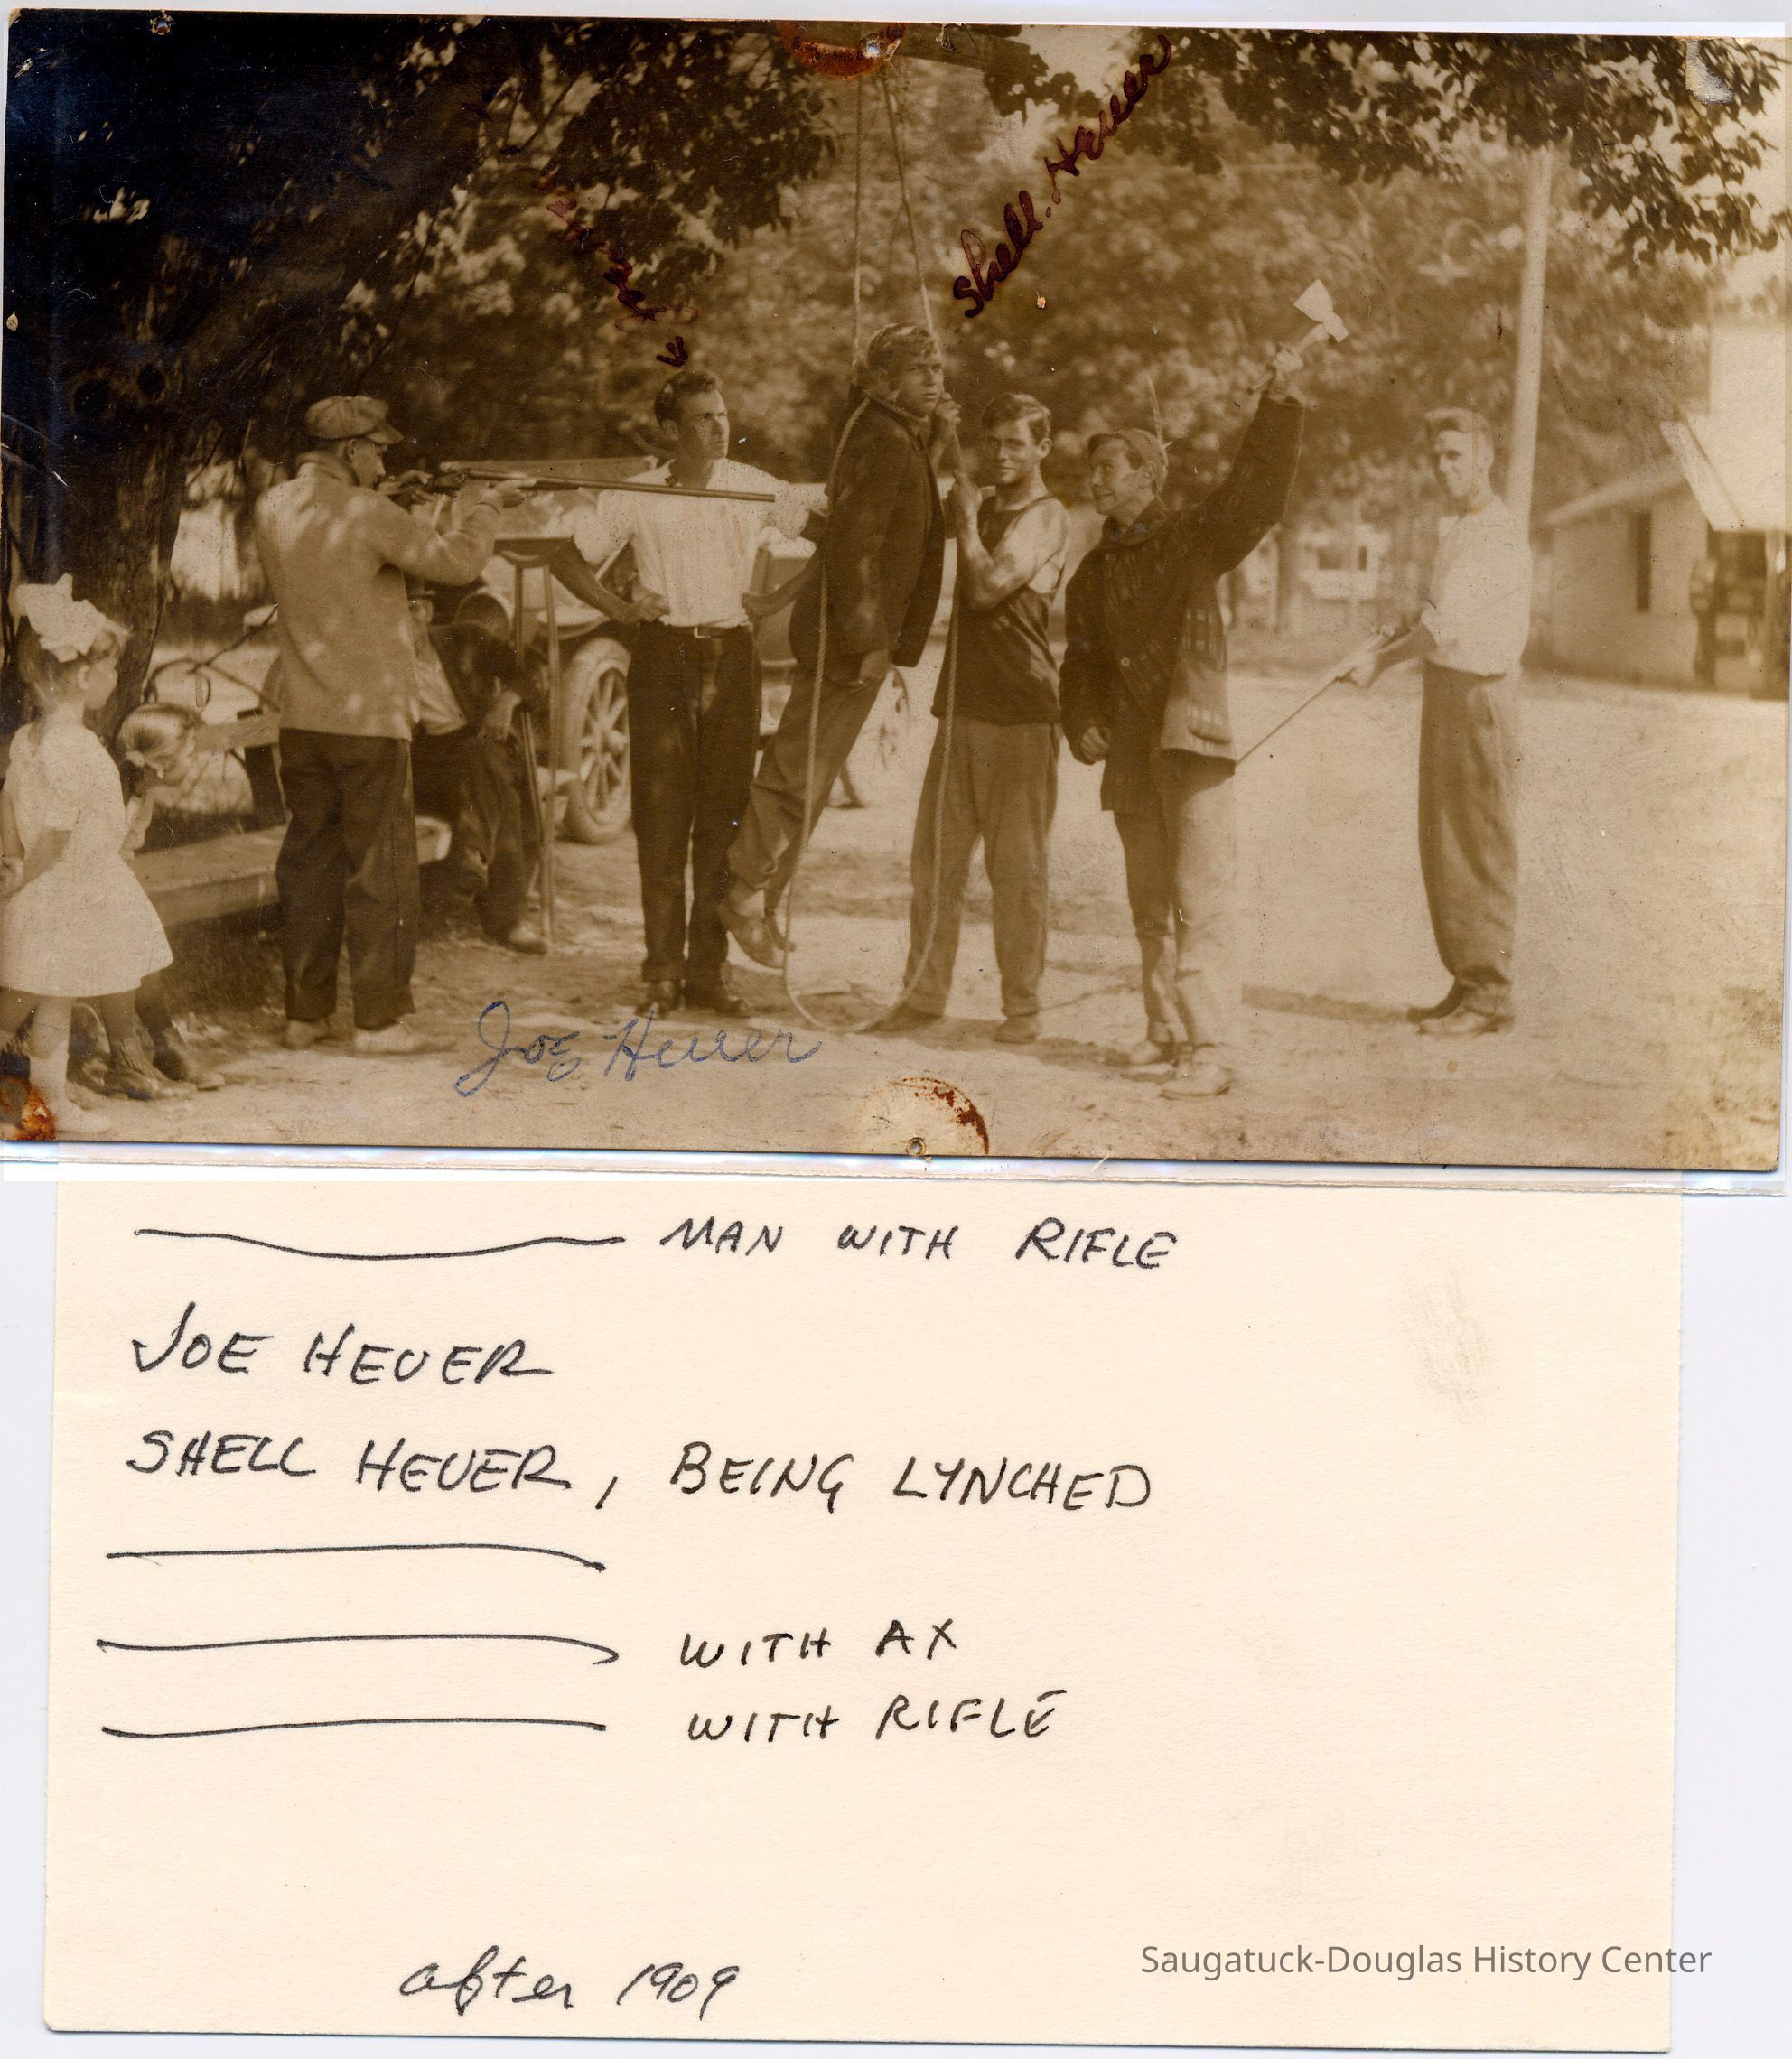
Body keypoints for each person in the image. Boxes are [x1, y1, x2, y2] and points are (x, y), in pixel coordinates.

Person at [1059, 351, 1305, 1100]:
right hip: (1130, 756)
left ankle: (1214, 1047)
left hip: (1188, 742)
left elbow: (1256, 494)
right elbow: (1080, 664)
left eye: (1110, 468)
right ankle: (1165, 1028)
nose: (1095, 479)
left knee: (1201, 899)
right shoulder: (1092, 572)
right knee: (1149, 904)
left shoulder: (1194, 537)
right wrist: (1082, 721)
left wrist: (1279, 404)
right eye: (1091, 469)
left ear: (1148, 476)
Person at [253, 394, 514, 1056]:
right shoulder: (369, 512)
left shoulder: (274, 505)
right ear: (351, 450)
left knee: (310, 866)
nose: (383, 463)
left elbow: (341, 559)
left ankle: (305, 1015)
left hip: (303, 719)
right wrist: (485, 507)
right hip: (370, 722)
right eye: (377, 452)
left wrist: (394, 499)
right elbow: (459, 564)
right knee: (382, 870)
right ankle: (379, 1022)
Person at [555, 368, 823, 1014]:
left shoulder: (754, 487)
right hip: (662, 659)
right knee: (660, 819)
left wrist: (776, 599)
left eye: (722, 414)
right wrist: (620, 608)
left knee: (723, 818)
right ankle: (661, 974)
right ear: (670, 430)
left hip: (732, 660)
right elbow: (564, 558)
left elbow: (830, 541)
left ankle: (708, 972)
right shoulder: (638, 494)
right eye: (703, 418)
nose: (719, 426)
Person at [720, 322, 960, 968]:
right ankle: (742, 894)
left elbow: (901, 521)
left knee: (816, 774)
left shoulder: (897, 432)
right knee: (799, 769)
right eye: (919, 369)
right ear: (884, 380)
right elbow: (853, 546)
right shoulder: (883, 436)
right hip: (847, 641)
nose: (934, 379)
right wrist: (869, 640)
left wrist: (939, 438)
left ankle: (764, 899)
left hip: (855, 639)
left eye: (938, 369)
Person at [880, 392, 1070, 1043]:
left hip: (1022, 714)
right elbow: (917, 521)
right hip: (961, 709)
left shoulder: (1049, 517)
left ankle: (1023, 1008)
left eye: (1017, 443)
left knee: (1016, 872)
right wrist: (938, 437)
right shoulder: (982, 504)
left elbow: (988, 588)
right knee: (934, 865)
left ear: (1043, 448)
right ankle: (922, 997)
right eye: (995, 442)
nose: (1003, 454)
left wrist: (964, 520)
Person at [1340, 406, 1533, 1037]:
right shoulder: (1461, 530)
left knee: (1478, 840)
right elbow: (1430, 611)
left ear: (1486, 458)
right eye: (1437, 456)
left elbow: (1442, 628)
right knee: (1445, 841)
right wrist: (1389, 632)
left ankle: (1491, 992)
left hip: (1479, 696)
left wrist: (1379, 664)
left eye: (1456, 454)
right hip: (1447, 691)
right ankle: (1468, 979)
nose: (1444, 466)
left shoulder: (1497, 532)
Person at [0, 578, 173, 1139]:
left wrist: (12, 859)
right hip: (61, 887)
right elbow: (56, 832)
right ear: (82, 677)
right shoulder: (75, 748)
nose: (115, 676)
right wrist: (23, 874)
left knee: (51, 1000)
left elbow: (8, 801)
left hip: (54, 886)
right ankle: (35, 1104)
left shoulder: (29, 739)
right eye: (111, 667)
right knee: (29, 1002)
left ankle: (47, 1106)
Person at [407, 604, 547, 955]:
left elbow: (535, 668)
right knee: (495, 787)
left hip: (485, 744)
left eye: (407, 612)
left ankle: (473, 855)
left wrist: (506, 702)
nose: (401, 624)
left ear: (426, 612)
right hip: (429, 763)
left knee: (486, 767)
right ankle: (503, 917)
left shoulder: (465, 638)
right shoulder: (386, 664)